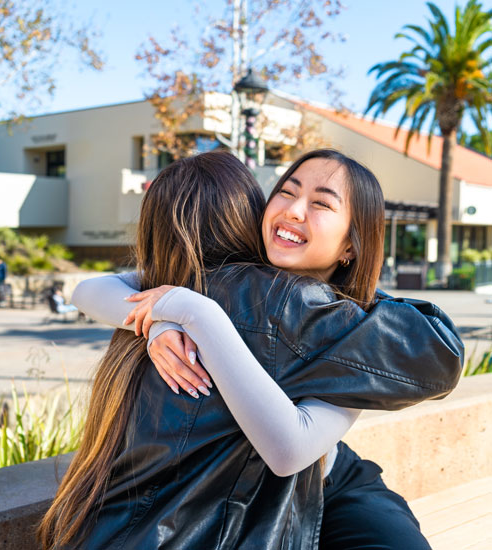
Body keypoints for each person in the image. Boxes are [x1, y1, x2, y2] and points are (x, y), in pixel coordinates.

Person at [42, 151, 462, 549]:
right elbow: (99, 287)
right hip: (295, 486)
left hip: (325, 474)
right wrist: (165, 320)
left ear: (352, 244)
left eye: (321, 203)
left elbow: (96, 287)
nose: (294, 210)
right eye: (287, 191)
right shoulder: (236, 294)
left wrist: (189, 312)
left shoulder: (330, 319)